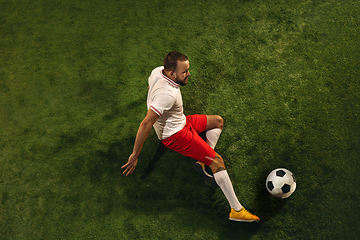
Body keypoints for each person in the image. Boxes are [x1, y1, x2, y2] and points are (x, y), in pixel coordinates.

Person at [122, 51, 260, 222]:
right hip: (175, 135)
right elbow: (145, 124)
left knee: (218, 122)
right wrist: (135, 155)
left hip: (182, 122)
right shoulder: (167, 95)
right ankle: (236, 210)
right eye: (185, 72)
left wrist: (155, 104)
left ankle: (202, 161)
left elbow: (151, 88)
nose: (189, 74)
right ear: (172, 73)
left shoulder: (158, 71)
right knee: (217, 161)